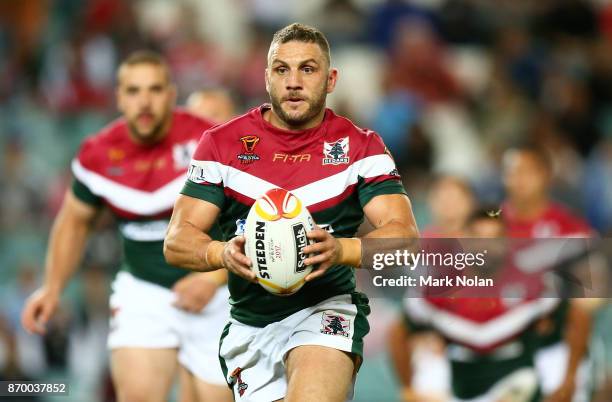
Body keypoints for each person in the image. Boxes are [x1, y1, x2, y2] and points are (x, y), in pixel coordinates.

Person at [164, 23, 419, 402]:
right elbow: (177, 240)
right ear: (267, 78)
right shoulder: (221, 145)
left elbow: (406, 240)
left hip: (326, 309)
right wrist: (221, 253)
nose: (294, 82)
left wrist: (340, 250)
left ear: (330, 79)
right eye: (282, 70)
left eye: (308, 69)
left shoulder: (362, 148)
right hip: (251, 327)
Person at [21, 51, 233, 402]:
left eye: (154, 89)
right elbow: (74, 222)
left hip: (216, 294)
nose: (144, 102)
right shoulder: (97, 155)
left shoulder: (208, 140)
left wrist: (213, 278)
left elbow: (250, 215)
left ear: (171, 94)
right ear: (119, 97)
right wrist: (53, 289)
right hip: (143, 293)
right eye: (133, 91)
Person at [390, 208, 559, 402]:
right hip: (460, 387)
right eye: (478, 237)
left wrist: (566, 379)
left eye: (494, 238)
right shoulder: (437, 288)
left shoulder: (534, 284)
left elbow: (572, 319)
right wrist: (408, 387)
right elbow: (398, 333)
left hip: (518, 381)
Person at [502, 144, 595, 402]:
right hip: (498, 350)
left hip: (556, 348)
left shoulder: (570, 229)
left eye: (527, 171)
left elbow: (586, 304)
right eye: (511, 172)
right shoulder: (488, 226)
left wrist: (570, 374)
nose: (518, 179)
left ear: (546, 175)